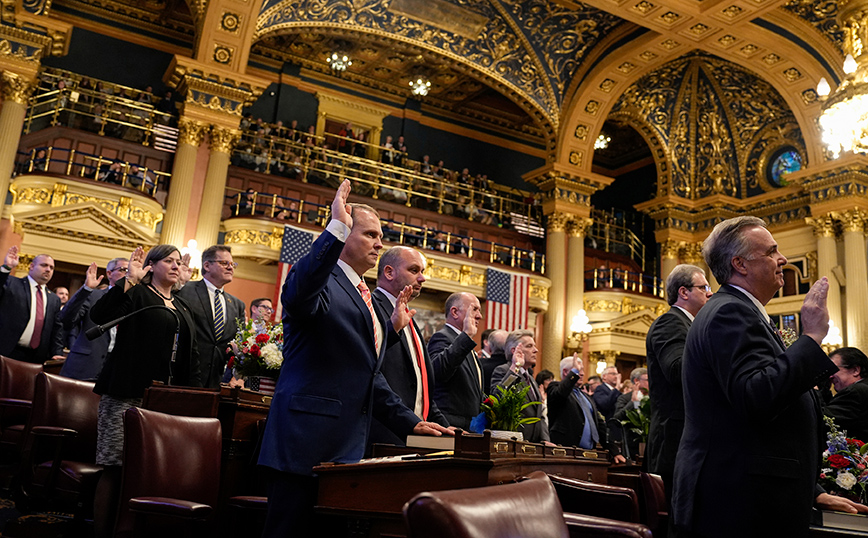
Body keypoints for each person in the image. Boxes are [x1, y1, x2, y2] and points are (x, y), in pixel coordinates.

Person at [257, 180, 449, 537]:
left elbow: (368, 373)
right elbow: (299, 294)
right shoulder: (322, 279)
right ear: (344, 235)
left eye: (381, 236)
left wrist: (410, 422)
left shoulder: (366, 298)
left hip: (345, 449)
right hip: (305, 443)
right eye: (370, 234)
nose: (379, 243)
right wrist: (335, 229)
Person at [672, 216, 866, 538]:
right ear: (740, 264)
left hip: (750, 493)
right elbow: (756, 395)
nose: (783, 260)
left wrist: (813, 490)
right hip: (738, 502)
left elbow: (768, 422)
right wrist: (812, 337)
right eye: (772, 251)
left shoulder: (739, 311)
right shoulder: (728, 312)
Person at [90, 245, 200, 538]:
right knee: (115, 466)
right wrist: (128, 280)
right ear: (151, 265)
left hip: (164, 401)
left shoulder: (183, 306)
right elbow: (101, 315)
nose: (176, 266)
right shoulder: (137, 294)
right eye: (169, 261)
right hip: (126, 395)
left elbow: (191, 355)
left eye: (179, 262)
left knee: (150, 471)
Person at [367, 246, 451, 451]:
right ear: (389, 272)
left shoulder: (409, 317)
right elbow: (369, 366)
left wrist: (448, 431)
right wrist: (391, 329)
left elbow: (421, 389)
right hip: (382, 437)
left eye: (422, 271)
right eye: (414, 271)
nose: (422, 278)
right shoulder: (369, 306)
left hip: (413, 439)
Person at [645, 263, 711, 520]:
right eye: (704, 287)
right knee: (676, 519)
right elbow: (677, 369)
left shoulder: (691, 326)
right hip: (674, 442)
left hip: (686, 439)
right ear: (684, 292)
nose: (709, 293)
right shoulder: (669, 323)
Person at [177, 245, 245, 388]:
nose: (230, 268)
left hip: (215, 382)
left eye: (232, 264)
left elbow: (238, 345)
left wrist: (238, 374)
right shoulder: (185, 291)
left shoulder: (237, 305)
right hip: (182, 377)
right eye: (224, 263)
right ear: (207, 265)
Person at [59, 257, 129, 381]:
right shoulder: (93, 295)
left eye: (130, 270)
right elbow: (67, 320)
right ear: (109, 273)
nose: (127, 274)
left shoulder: (134, 301)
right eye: (123, 269)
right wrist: (86, 289)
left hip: (116, 369)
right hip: (85, 365)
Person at [547, 354, 625, 462]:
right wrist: (574, 373)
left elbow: (600, 425)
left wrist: (614, 451)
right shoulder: (554, 387)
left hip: (588, 454)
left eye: (582, 370)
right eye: (579, 370)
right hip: (565, 453)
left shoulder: (586, 396)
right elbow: (560, 393)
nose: (583, 373)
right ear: (566, 372)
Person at [428, 291, 484, 431]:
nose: (479, 316)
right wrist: (466, 336)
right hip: (449, 426)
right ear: (455, 312)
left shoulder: (466, 344)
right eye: (474, 309)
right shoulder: (442, 337)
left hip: (468, 429)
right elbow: (437, 373)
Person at [0, 246, 65, 363]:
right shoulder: (13, 283)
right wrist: (6, 267)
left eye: (51, 267)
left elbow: (56, 329)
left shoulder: (54, 299)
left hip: (36, 358)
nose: (48, 269)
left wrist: (56, 352)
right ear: (31, 266)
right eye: (44, 265)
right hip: (7, 350)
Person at [490, 330, 550, 444]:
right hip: (513, 443)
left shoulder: (531, 378)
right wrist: (514, 369)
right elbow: (497, 396)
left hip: (533, 445)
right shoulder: (503, 371)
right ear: (515, 351)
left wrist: (545, 440)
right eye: (529, 346)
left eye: (535, 346)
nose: (535, 350)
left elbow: (539, 414)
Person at [822, 347, 868, 443]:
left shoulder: (855, 391)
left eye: (833, 369)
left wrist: (816, 389)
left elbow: (823, 420)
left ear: (855, 370)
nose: (830, 376)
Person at [613, 367, 648, 462]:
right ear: (637, 381)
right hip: (632, 446)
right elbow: (617, 419)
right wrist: (632, 403)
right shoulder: (624, 399)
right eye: (647, 380)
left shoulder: (654, 398)